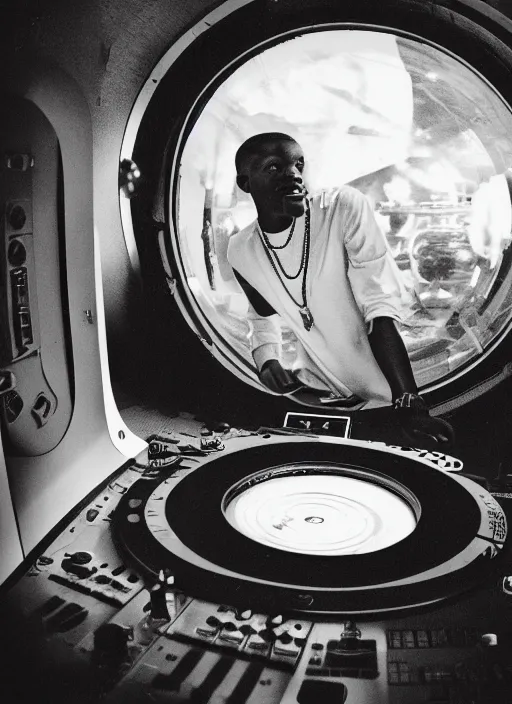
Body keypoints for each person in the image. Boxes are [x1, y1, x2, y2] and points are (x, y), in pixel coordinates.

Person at [227, 132, 453, 446]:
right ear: (245, 183)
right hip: (318, 389)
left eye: (298, 164)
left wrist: (408, 401)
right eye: (274, 168)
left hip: (390, 383)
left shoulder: (342, 206)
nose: (293, 175)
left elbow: (378, 304)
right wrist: (267, 359)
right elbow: (262, 313)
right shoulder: (240, 248)